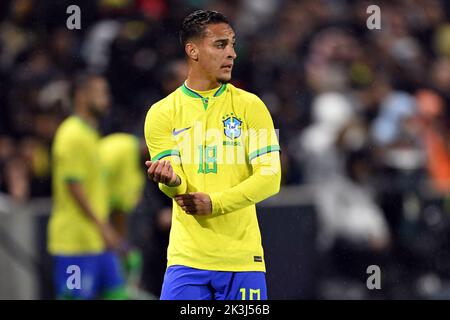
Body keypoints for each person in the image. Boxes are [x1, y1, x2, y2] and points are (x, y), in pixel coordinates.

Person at [144, 10, 281, 300]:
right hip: (187, 260)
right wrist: (168, 180)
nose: (232, 53)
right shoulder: (161, 113)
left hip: (242, 260)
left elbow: (271, 177)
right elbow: (175, 184)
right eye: (221, 45)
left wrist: (215, 203)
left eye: (232, 44)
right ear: (192, 50)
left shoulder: (252, 107)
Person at [47, 73, 127, 299]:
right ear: (82, 96)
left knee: (118, 294)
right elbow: (74, 186)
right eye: (101, 93)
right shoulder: (71, 134)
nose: (107, 100)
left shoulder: (89, 133)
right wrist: (104, 227)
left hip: (97, 241)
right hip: (75, 243)